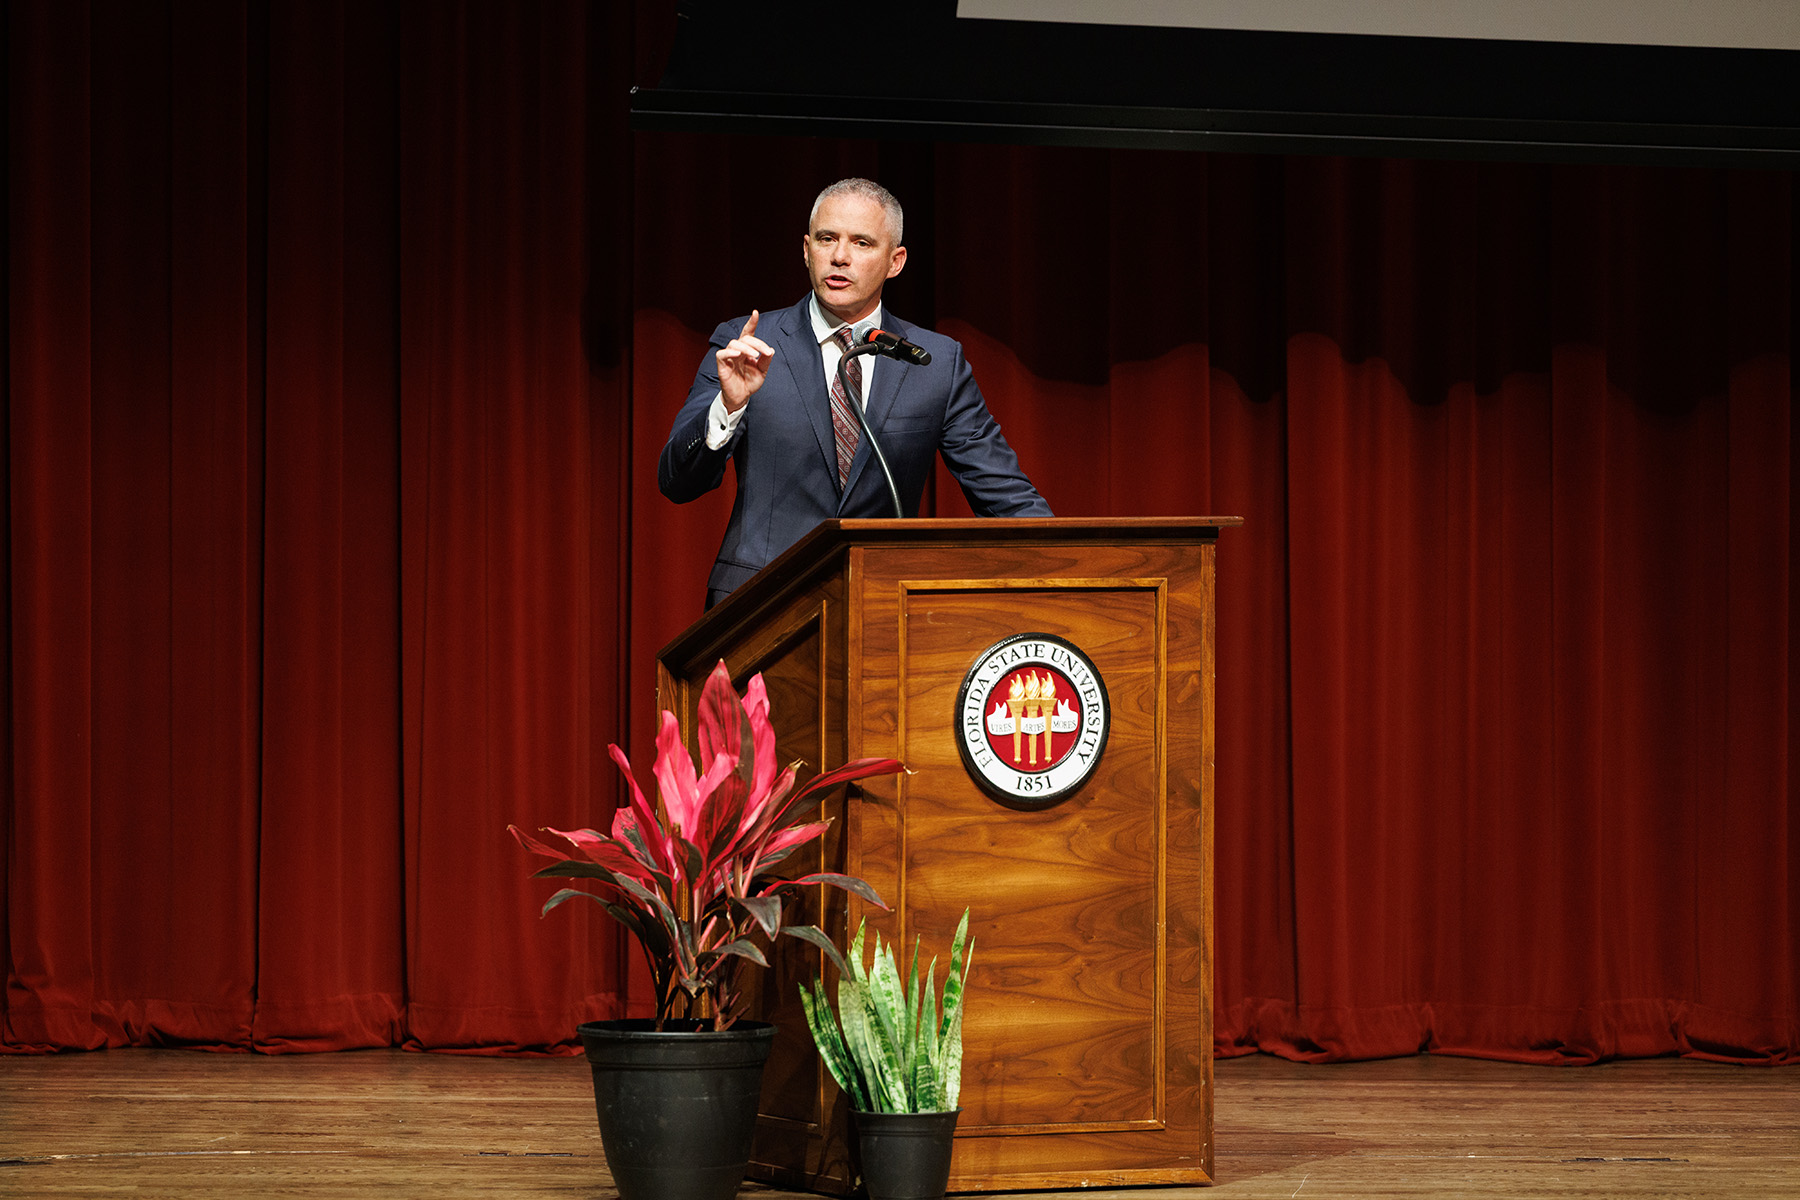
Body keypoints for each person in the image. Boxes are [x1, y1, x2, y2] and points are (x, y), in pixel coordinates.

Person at [659, 178, 1052, 608]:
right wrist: (729, 406)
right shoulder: (746, 344)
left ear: (895, 261)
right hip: (760, 604)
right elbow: (677, 482)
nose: (839, 256)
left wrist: (1072, 569)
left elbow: (1003, 494)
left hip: (882, 606)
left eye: (861, 243)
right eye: (827, 239)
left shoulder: (935, 362)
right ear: (806, 249)